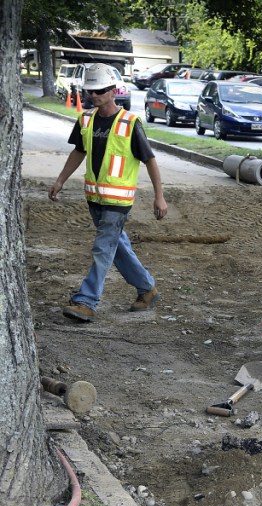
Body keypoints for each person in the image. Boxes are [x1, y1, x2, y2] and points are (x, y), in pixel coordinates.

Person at [49, 63, 167, 324]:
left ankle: (86, 302)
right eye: (90, 90)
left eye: (100, 90)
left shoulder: (129, 123)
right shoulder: (86, 119)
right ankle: (147, 290)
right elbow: (78, 152)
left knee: (103, 249)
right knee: (118, 247)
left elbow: (150, 160)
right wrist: (60, 180)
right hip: (95, 199)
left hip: (118, 201)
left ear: (113, 90)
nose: (94, 95)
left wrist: (160, 196)